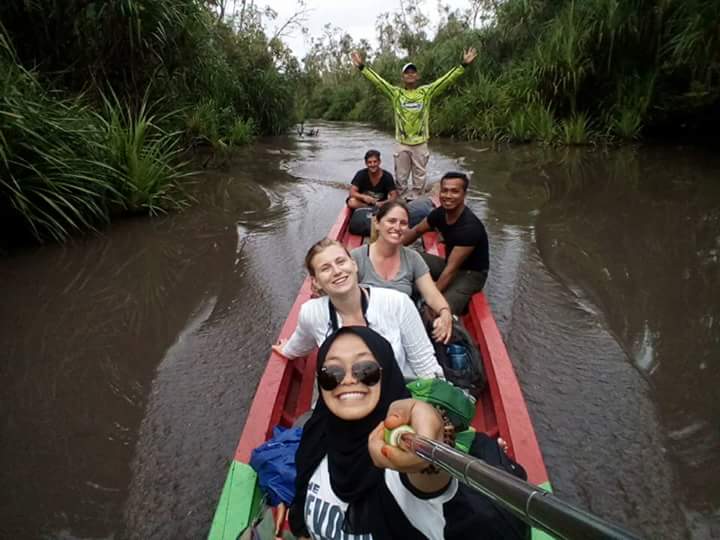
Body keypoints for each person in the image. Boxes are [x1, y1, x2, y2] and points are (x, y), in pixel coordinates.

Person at [289, 326, 457, 540]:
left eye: (365, 369)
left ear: (385, 372)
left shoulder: (398, 451)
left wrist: (428, 445)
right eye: (332, 373)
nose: (348, 380)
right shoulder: (315, 436)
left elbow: (427, 475)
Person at [272, 239, 444, 379]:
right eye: (325, 268)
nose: (337, 271)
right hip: (346, 404)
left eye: (341, 261)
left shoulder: (397, 303)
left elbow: (426, 365)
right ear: (316, 282)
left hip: (398, 402)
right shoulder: (312, 313)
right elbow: (299, 345)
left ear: (354, 265)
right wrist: (285, 350)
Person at [350, 48, 478, 200]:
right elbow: (378, 81)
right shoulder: (395, 93)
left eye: (413, 72)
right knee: (401, 179)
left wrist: (463, 65)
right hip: (402, 143)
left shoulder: (426, 92)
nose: (410, 74)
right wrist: (362, 67)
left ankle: (416, 202)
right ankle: (401, 203)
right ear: (402, 77)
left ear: (417, 76)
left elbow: (445, 80)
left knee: (419, 181)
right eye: (407, 72)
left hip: (420, 143)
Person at [350, 200, 453, 343]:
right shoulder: (357, 257)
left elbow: (432, 294)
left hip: (400, 332)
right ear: (377, 224)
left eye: (403, 223)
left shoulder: (413, 259)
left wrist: (445, 312)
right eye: (391, 221)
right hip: (365, 332)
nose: (397, 227)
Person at [404, 172, 489, 315]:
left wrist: (430, 299)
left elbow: (451, 270)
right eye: (445, 190)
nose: (448, 196)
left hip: (469, 274)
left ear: (464, 194)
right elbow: (416, 231)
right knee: (405, 255)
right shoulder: (440, 213)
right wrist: (391, 250)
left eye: (455, 191)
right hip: (448, 264)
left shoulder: (470, 227)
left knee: (438, 311)